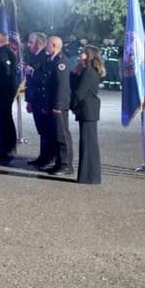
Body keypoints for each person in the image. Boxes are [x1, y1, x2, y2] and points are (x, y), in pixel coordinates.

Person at [39, 35, 73, 175]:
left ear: (54, 45)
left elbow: (62, 86)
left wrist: (58, 105)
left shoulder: (61, 62)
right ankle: (58, 163)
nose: (45, 47)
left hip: (58, 105)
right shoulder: (51, 60)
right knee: (54, 135)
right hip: (51, 104)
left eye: (47, 44)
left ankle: (66, 165)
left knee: (62, 135)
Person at [71, 45, 102, 184]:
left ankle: (90, 176)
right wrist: (74, 73)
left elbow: (80, 92)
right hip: (87, 110)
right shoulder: (85, 70)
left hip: (88, 109)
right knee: (87, 143)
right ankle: (88, 175)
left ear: (88, 56)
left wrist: (72, 105)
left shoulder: (88, 72)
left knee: (89, 144)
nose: (80, 55)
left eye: (83, 53)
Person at [0, 30, 20, 161]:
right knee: (2, 120)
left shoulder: (4, 53)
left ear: (0, 39)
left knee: (2, 121)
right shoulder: (3, 52)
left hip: (1, 94)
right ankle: (3, 147)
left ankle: (4, 148)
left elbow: (5, 75)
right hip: (0, 93)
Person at [23, 32, 54, 168]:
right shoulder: (33, 57)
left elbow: (46, 80)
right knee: (41, 129)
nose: (28, 44)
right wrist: (29, 100)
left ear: (39, 43)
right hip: (35, 99)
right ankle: (43, 156)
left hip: (43, 100)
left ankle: (49, 157)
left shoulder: (45, 58)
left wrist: (33, 72)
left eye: (31, 42)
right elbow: (29, 82)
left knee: (47, 130)